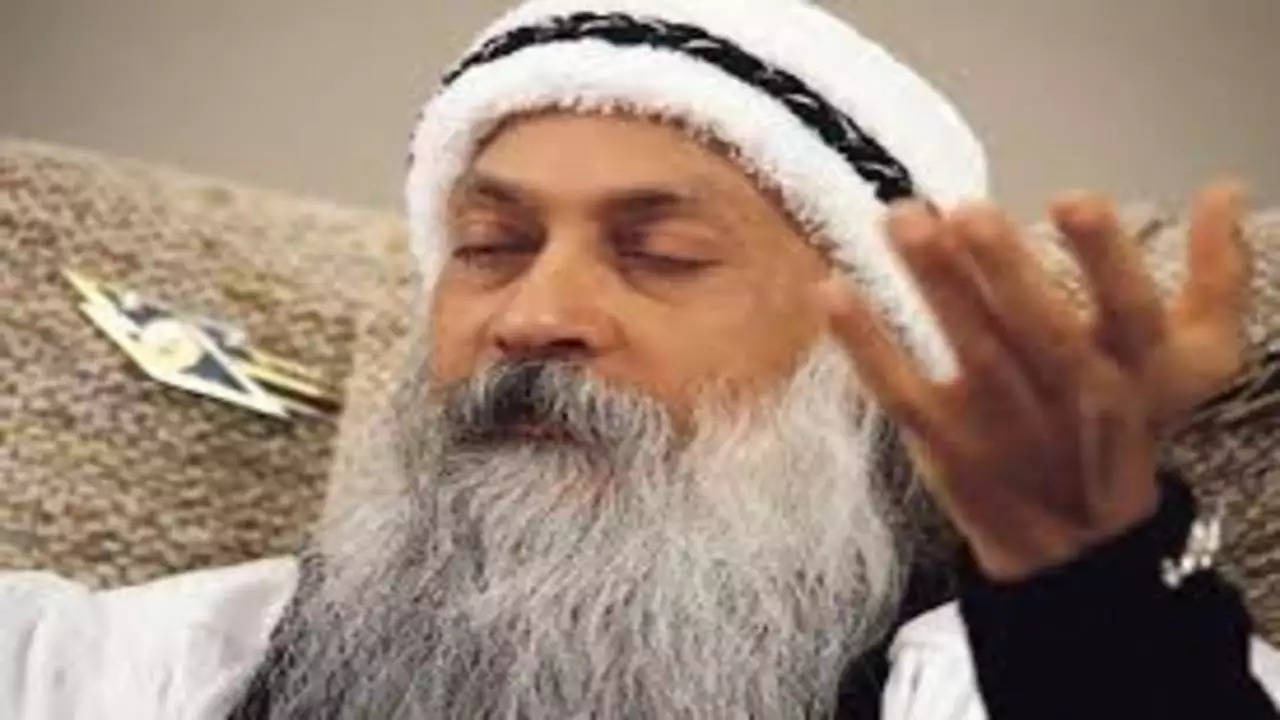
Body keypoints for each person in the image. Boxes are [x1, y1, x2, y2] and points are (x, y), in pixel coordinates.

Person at [3, 1, 1278, 718]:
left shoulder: (981, 690)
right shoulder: (172, 671)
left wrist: (1088, 592)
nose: (534, 315)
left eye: (661, 254)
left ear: (862, 356)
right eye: (490, 247)